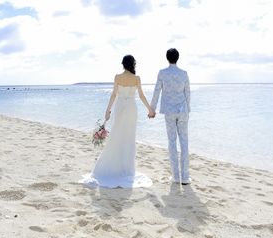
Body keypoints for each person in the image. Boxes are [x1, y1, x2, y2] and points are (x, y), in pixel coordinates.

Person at [80, 55, 154, 188]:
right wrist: (150, 109)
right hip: (131, 108)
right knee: (129, 137)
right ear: (133, 64)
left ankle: (113, 166)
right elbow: (141, 95)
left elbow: (114, 94)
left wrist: (108, 110)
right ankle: (127, 169)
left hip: (119, 107)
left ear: (123, 64)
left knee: (116, 135)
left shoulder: (117, 77)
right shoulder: (136, 78)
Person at [150, 48, 191, 185]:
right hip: (183, 110)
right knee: (184, 142)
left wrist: (152, 109)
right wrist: (188, 109)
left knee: (172, 142)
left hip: (169, 111)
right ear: (177, 58)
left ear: (167, 58)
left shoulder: (162, 73)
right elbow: (187, 93)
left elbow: (156, 91)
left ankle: (176, 176)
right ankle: (185, 177)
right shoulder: (184, 73)